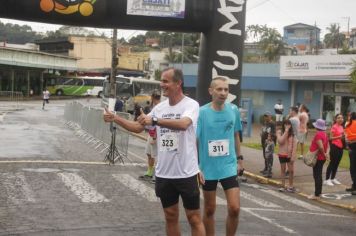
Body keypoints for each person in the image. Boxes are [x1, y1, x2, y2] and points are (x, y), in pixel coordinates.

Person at [103, 67, 205, 235]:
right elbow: (137, 127)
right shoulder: (160, 108)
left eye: (165, 81)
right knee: (170, 216)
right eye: (161, 80)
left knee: (194, 218)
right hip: (164, 173)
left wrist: (155, 120)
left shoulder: (191, 104)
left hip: (186, 173)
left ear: (178, 83)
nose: (161, 84)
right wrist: (115, 118)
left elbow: (184, 124)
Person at [196, 76, 242, 236]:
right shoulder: (201, 113)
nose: (223, 93)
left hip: (228, 166)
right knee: (209, 209)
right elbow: (194, 141)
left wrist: (240, 159)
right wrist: (196, 166)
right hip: (208, 168)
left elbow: (235, 135)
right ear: (211, 91)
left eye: (226, 89)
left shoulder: (233, 110)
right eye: (219, 89)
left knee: (235, 208)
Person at [139, 91, 161, 181]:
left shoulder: (160, 107)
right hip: (151, 133)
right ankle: (150, 172)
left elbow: (157, 124)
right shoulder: (154, 107)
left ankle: (157, 176)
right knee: (149, 154)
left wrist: (155, 137)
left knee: (156, 155)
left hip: (155, 135)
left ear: (152, 97)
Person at [308, 119, 329, 200]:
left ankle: (316, 194)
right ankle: (318, 192)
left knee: (316, 175)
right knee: (318, 175)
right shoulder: (325, 134)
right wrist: (326, 154)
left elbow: (320, 146)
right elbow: (326, 146)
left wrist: (324, 154)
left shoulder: (318, 134)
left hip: (318, 157)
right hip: (322, 157)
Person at [276, 119, 297, 192]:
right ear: (283, 125)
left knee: (291, 171)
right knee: (283, 170)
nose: (287, 126)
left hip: (289, 155)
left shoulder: (293, 134)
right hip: (282, 154)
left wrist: (293, 156)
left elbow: (294, 146)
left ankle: (290, 186)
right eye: (286, 124)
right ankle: (283, 186)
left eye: (289, 124)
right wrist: (286, 131)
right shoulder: (279, 132)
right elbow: (280, 141)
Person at [324, 114, 344, 186]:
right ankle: (327, 179)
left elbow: (343, 137)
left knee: (337, 163)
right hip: (334, 146)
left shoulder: (342, 127)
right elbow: (330, 138)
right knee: (332, 163)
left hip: (340, 147)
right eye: (338, 118)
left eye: (341, 118)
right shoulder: (334, 127)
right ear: (336, 119)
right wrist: (339, 137)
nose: (340, 119)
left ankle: (333, 178)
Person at [344, 112, 356, 195]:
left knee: (353, 168)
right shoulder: (348, 124)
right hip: (352, 147)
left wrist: (348, 144)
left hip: (353, 146)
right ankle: (354, 186)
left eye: (349, 116)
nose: (348, 117)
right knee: (352, 168)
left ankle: (355, 187)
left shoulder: (349, 124)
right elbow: (346, 136)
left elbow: (347, 137)